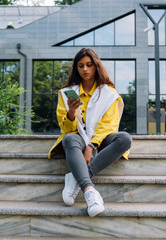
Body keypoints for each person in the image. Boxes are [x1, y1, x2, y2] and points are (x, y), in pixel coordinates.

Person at [48, 48, 132, 217]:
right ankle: (88, 189)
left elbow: (109, 125)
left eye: (89, 65)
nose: (85, 69)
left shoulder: (109, 93)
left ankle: (75, 177)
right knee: (69, 139)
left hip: (102, 139)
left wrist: (92, 145)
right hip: (77, 136)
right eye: (80, 66)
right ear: (76, 69)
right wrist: (71, 113)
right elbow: (65, 128)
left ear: (96, 66)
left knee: (124, 138)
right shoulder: (66, 94)